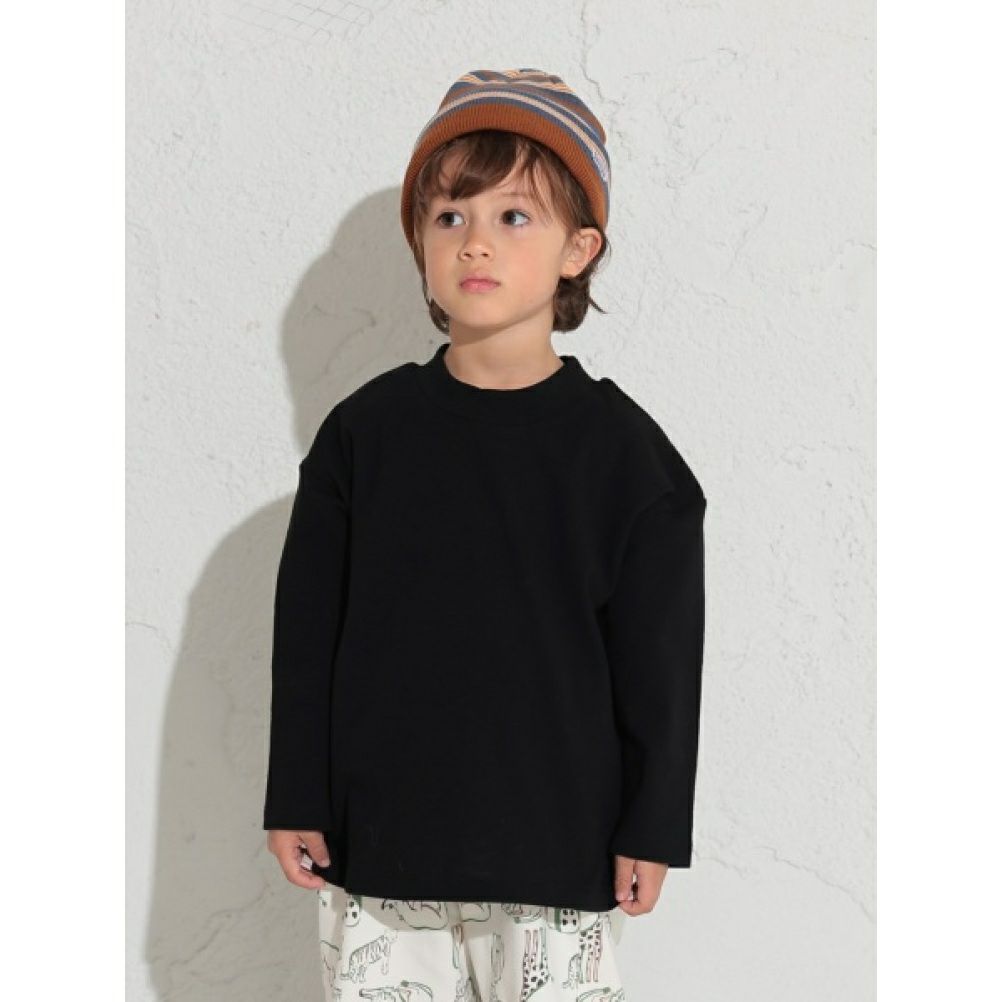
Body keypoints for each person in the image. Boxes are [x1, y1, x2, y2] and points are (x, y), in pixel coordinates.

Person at [262, 67, 708, 1001]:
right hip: (381, 853)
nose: (475, 241)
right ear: (420, 244)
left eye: (514, 217)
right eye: (449, 216)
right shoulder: (363, 437)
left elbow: (660, 661)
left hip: (560, 854)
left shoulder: (627, 458)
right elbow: (307, 635)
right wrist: (295, 793)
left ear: (578, 249)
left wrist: (655, 823)